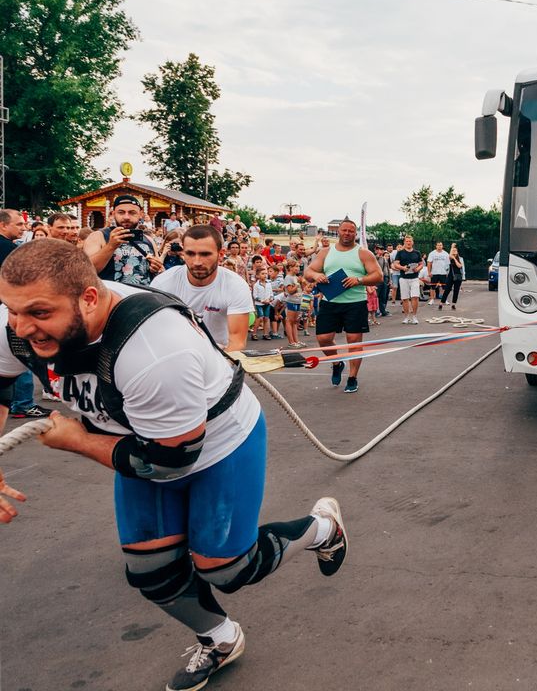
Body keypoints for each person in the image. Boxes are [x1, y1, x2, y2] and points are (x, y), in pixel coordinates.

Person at [0, 239, 347, 690]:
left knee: (227, 569)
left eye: (40, 314)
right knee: (151, 572)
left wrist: (79, 441)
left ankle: (323, 528)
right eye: (12, 309)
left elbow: (166, 462)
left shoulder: (155, 349)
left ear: (88, 298)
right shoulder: (17, 322)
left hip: (218, 444)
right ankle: (221, 639)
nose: (22, 327)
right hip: (139, 437)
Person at [303, 219, 382, 394]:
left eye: (351, 231)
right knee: (324, 339)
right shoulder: (325, 252)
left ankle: (352, 377)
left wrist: (359, 280)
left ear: (355, 233)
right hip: (330, 302)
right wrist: (316, 276)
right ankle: (337, 363)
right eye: (344, 230)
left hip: (355, 303)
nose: (347, 233)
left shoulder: (363, 253)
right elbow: (308, 272)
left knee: (353, 341)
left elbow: (378, 275)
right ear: (338, 232)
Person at [151, 225, 253, 351]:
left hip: (221, 357)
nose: (197, 262)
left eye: (205, 254)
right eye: (190, 254)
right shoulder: (163, 283)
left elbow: (237, 343)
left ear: (221, 255)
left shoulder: (236, 286)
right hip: (177, 356)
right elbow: (156, 335)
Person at [0, 210, 51, 419]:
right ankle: (22, 404)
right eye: (19, 224)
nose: (24, 228)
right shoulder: (9, 249)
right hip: (9, 311)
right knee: (21, 356)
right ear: (3, 225)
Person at [83, 195, 163, 286]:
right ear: (113, 214)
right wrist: (110, 246)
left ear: (141, 214)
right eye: (121, 212)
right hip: (112, 297)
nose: (126, 217)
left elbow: (159, 272)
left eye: (132, 213)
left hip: (142, 296)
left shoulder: (149, 240)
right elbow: (87, 270)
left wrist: (156, 268)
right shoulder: (98, 236)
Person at [392, 235, 423, 325]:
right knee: (405, 298)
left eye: (410, 241)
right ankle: (406, 317)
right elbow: (395, 264)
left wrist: (418, 269)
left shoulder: (417, 253)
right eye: (407, 241)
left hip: (414, 278)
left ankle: (414, 316)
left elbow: (421, 264)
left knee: (415, 297)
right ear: (404, 243)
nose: (408, 243)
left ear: (412, 242)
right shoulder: (400, 253)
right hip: (403, 278)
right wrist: (402, 267)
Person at [439, 243, 465, 310]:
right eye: (453, 251)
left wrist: (455, 259)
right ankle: (441, 303)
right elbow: (449, 256)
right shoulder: (449, 258)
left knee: (456, 291)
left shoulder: (460, 259)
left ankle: (453, 304)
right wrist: (452, 247)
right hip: (450, 276)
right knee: (447, 290)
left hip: (458, 276)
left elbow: (460, 266)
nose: (454, 252)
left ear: (457, 252)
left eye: (455, 250)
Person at [428, 241, 451, 307]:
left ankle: (445, 299)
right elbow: (429, 263)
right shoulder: (432, 253)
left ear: (442, 246)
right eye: (438, 245)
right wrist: (429, 272)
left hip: (443, 273)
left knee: (445, 287)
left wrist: (448, 273)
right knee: (432, 287)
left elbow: (448, 264)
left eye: (440, 245)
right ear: (436, 246)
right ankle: (432, 299)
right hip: (434, 273)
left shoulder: (446, 254)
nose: (439, 246)